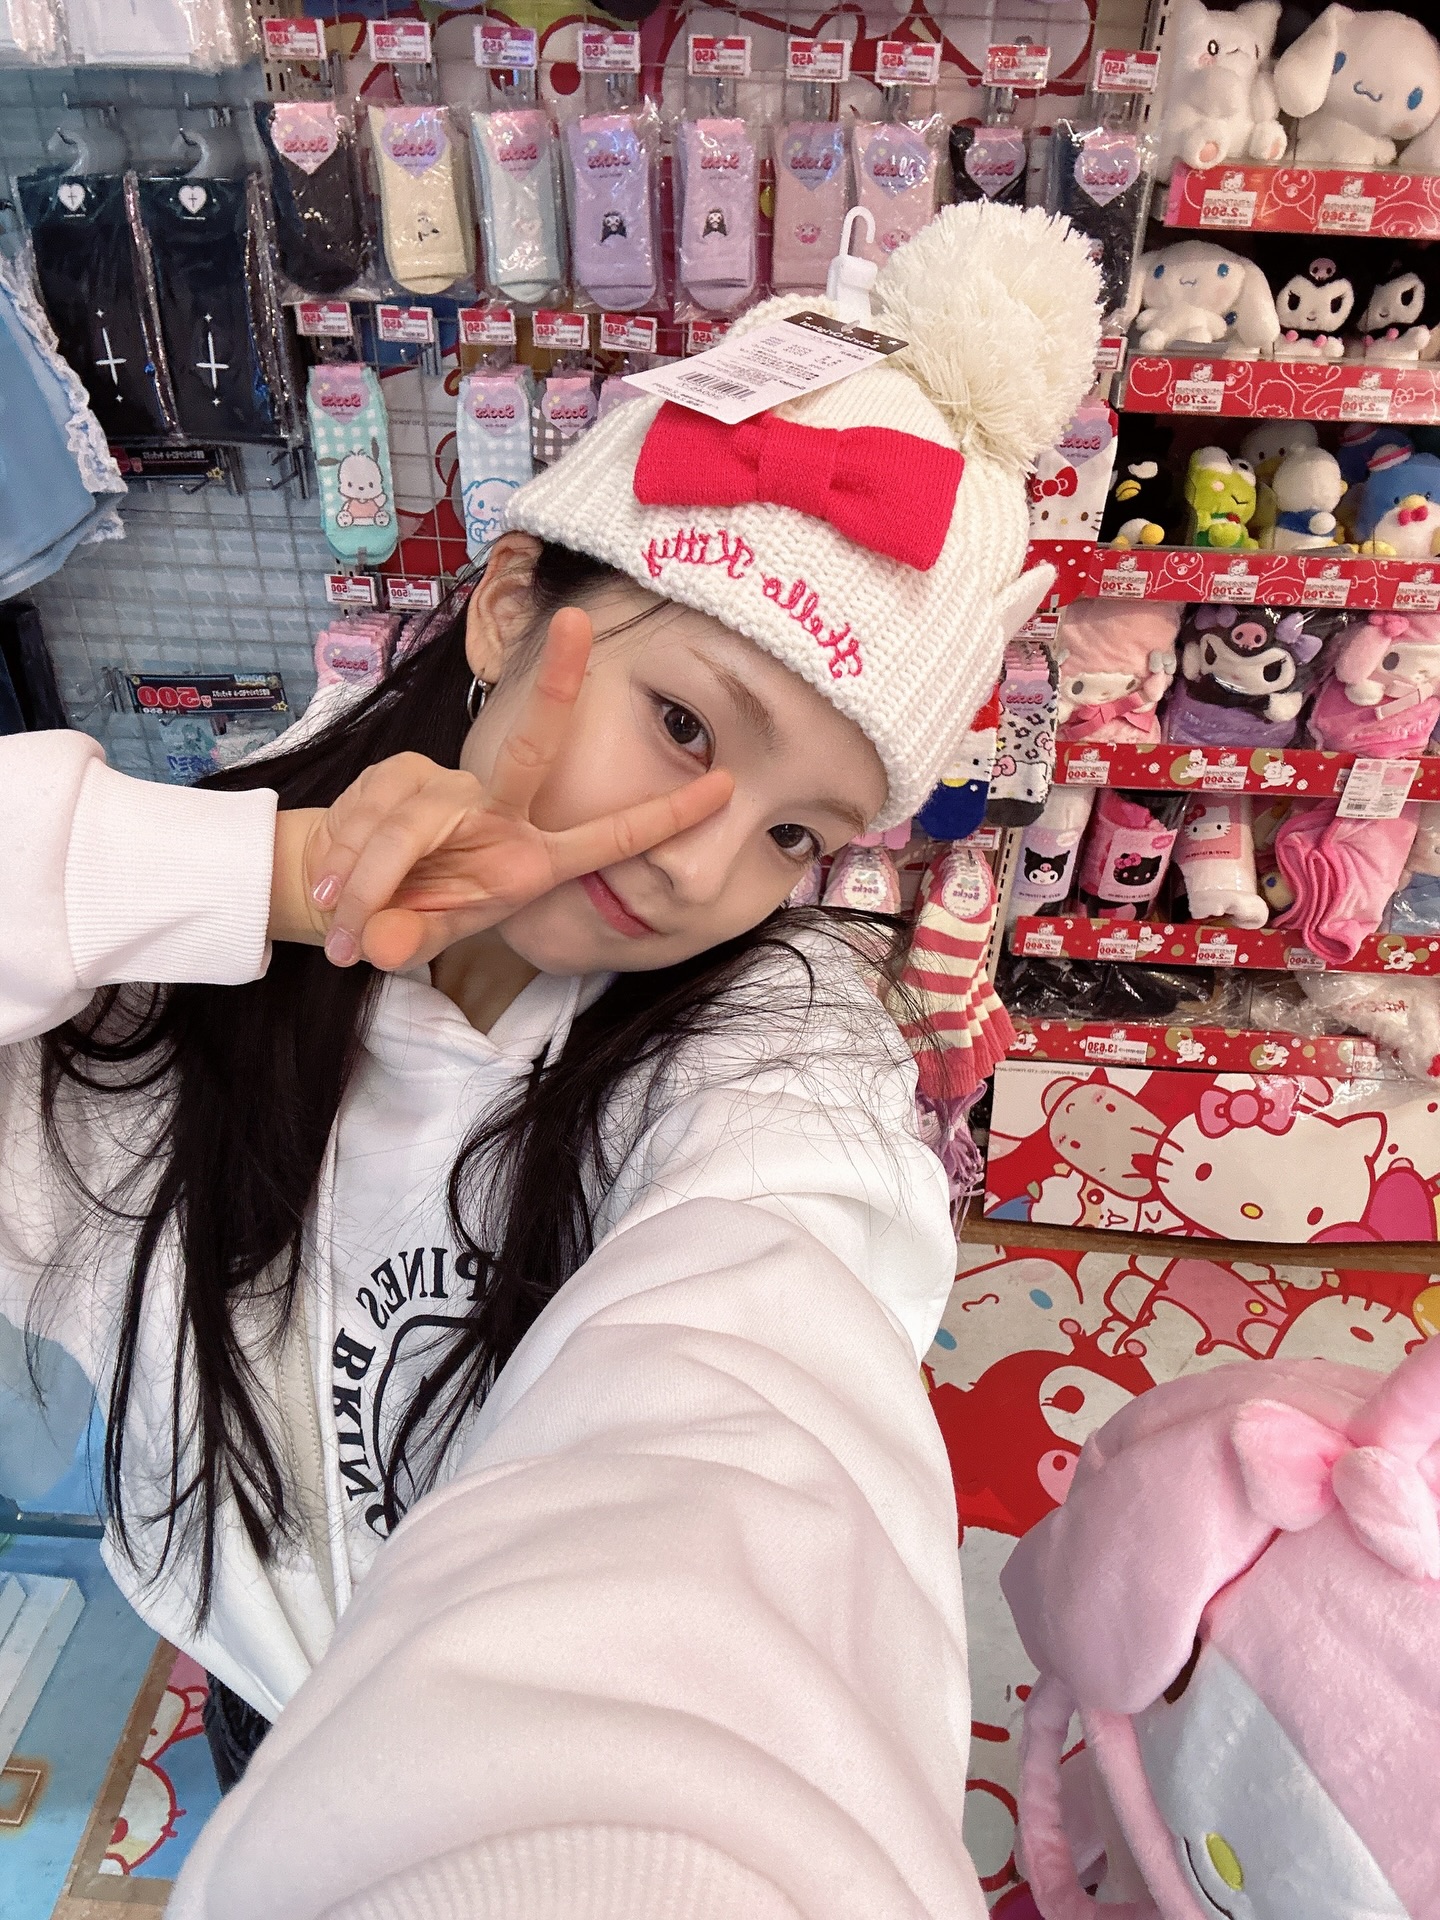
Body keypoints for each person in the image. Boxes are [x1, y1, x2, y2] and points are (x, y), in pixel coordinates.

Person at [0, 204, 1099, 1917]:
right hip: (274, 1722)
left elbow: (760, 1369)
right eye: (685, 724)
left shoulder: (769, 1051)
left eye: (797, 833)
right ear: (512, 606)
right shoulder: (186, 953)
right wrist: (263, 881)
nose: (702, 866)